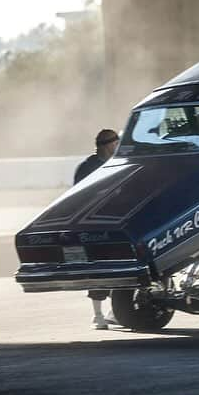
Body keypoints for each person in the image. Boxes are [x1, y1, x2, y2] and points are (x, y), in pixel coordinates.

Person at [75, 129, 120, 329]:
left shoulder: (116, 163)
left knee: (116, 266)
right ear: (107, 145)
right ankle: (98, 314)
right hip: (94, 223)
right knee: (99, 268)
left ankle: (114, 312)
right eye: (114, 143)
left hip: (113, 221)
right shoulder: (88, 167)